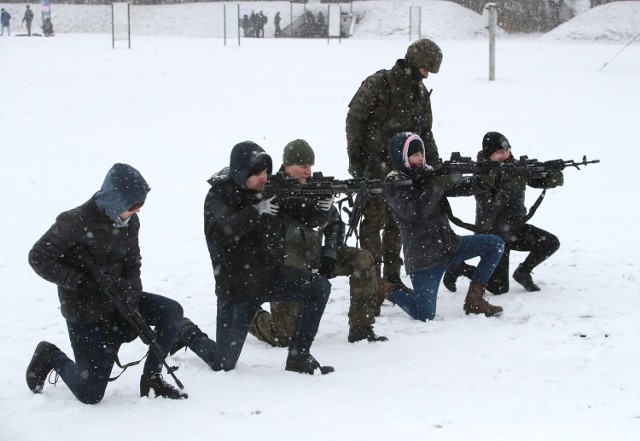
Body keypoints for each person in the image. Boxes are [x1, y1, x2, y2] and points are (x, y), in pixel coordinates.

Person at [26, 163, 188, 404]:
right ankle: (50, 355)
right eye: (133, 206)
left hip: (119, 301)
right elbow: (38, 257)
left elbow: (133, 262)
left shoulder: (130, 222)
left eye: (140, 205)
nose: (138, 211)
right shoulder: (74, 222)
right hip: (84, 312)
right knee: (90, 393)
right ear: (115, 200)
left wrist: (131, 297)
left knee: (172, 311)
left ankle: (152, 380)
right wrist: (81, 283)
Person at [170, 141, 334, 375]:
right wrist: (255, 212)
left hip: (271, 276)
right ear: (241, 172)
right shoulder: (219, 195)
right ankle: (185, 331)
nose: (264, 178)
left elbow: (304, 218)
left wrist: (322, 209)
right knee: (223, 363)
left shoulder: (269, 191)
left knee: (319, 288)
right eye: (257, 173)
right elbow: (219, 233)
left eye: (266, 172)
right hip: (237, 289)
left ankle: (299, 356)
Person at [249, 140, 390, 346]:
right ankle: (249, 313)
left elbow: (334, 224)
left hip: (315, 256)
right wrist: (265, 208)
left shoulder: (315, 188)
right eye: (303, 165)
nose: (308, 171)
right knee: (284, 337)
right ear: (288, 165)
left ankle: (361, 327)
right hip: (285, 266)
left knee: (362, 259)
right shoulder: (269, 189)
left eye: (310, 165)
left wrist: (330, 253)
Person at [345, 38, 444, 295]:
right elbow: (354, 121)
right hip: (374, 166)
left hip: (404, 169)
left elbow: (425, 132)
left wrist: (434, 164)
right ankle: (372, 280)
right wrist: (355, 161)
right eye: (426, 69)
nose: (427, 76)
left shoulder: (420, 93)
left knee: (397, 223)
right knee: (373, 224)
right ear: (414, 62)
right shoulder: (378, 83)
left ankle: (391, 277)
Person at [384, 132, 506, 321]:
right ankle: (385, 289)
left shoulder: (427, 173)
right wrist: (438, 186)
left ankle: (475, 299)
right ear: (401, 157)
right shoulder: (394, 183)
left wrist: (479, 182)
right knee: (424, 315)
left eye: (422, 154)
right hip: (424, 259)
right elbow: (417, 213)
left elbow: (456, 187)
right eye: (415, 154)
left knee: (495, 244)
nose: (421, 158)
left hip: (449, 246)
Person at [443, 132, 562, 294]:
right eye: (499, 152)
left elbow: (537, 180)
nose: (505, 155)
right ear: (488, 154)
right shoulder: (480, 171)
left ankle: (523, 272)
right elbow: (457, 188)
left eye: (507, 150)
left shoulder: (518, 168)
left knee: (550, 242)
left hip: (515, 229)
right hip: (493, 235)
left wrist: (551, 178)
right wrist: (481, 182)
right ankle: (459, 268)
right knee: (498, 288)